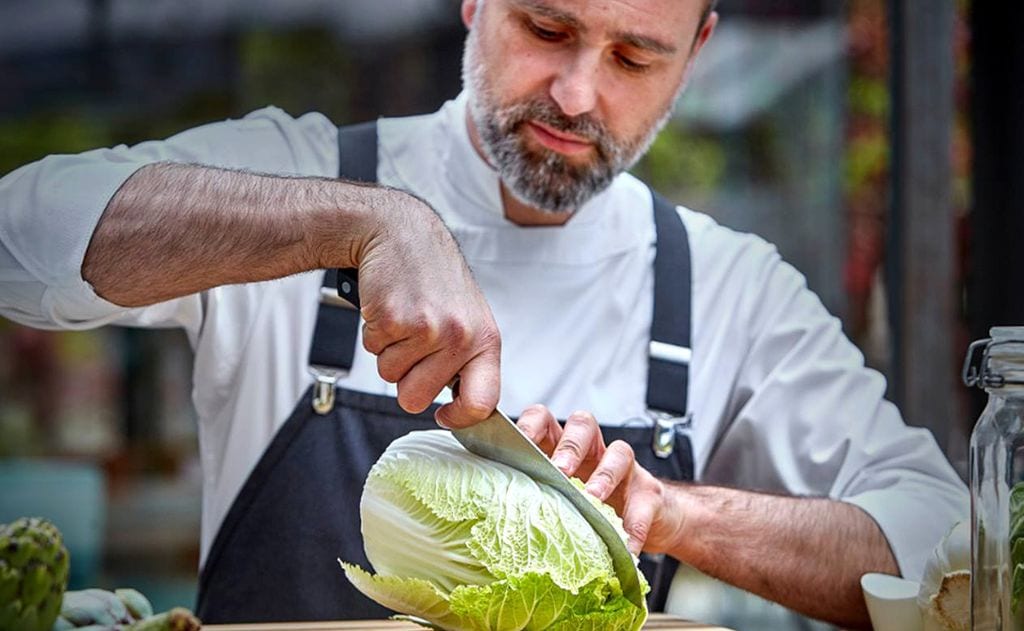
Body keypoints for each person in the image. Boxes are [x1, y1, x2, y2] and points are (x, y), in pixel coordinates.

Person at [0, 0, 966, 628]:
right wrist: (367, 222)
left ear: (697, 53)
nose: (578, 93)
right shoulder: (305, 173)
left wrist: (672, 512)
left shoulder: (726, 289)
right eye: (546, 28)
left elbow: (943, 553)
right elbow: (18, 236)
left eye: (635, 57)